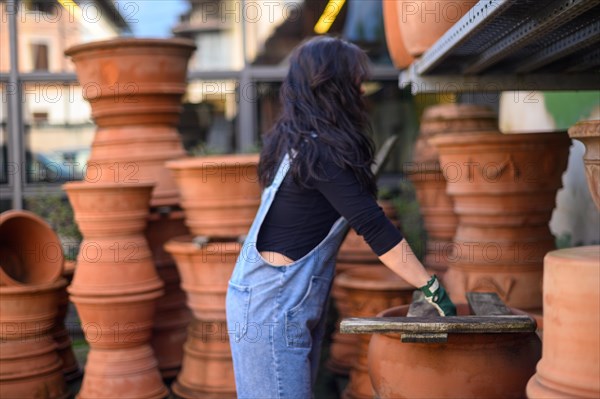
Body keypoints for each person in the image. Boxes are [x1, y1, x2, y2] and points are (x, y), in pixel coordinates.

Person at [225, 36, 456, 399]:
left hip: (281, 300)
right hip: (271, 309)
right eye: (355, 79)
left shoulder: (301, 143)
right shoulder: (317, 153)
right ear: (333, 86)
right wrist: (431, 289)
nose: (363, 87)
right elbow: (374, 227)